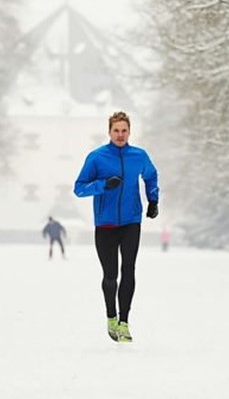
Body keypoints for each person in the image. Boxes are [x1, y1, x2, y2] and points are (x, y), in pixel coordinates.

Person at [74, 110, 159, 343]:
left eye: (124, 131)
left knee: (129, 269)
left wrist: (153, 200)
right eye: (116, 131)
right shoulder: (97, 157)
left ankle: (124, 322)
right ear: (109, 132)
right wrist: (103, 185)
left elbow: (151, 176)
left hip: (131, 220)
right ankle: (111, 317)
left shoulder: (139, 156)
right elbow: (79, 187)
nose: (120, 135)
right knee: (110, 275)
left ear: (130, 132)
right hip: (106, 223)